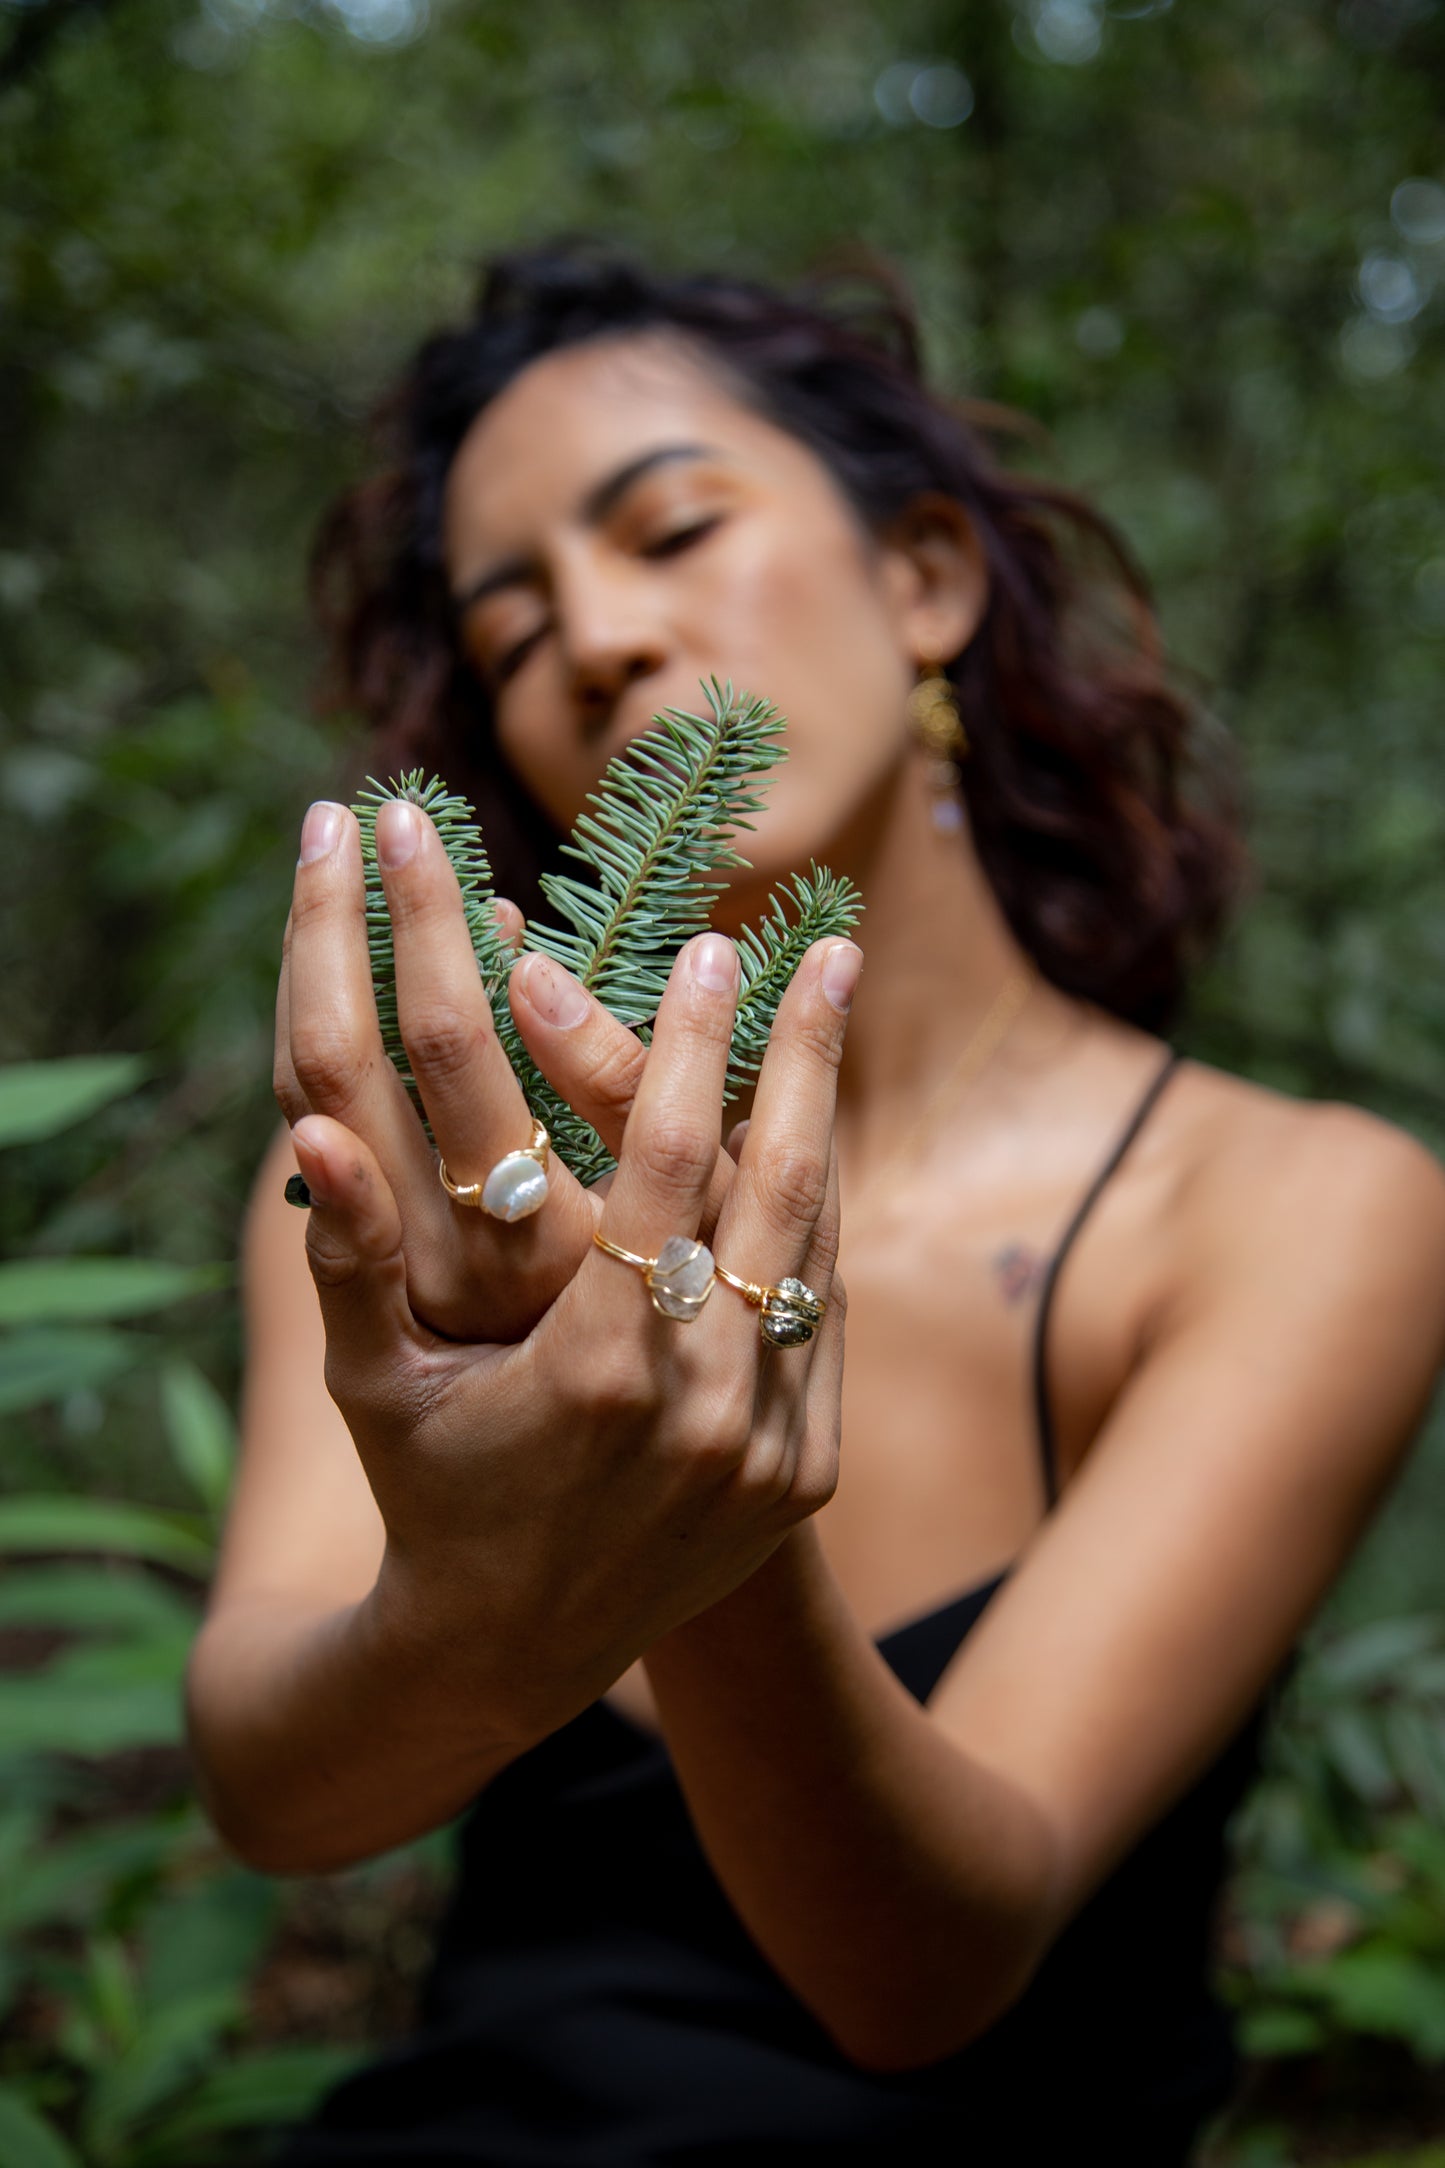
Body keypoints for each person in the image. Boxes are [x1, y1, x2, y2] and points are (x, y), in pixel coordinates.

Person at [186, 245, 1445, 2165]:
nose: (596, 635)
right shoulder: (415, 1202)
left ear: (922, 576)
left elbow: (923, 1975)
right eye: (509, 630)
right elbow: (275, 1793)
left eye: (672, 526)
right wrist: (463, 1591)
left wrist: (683, 1498)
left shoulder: (1289, 1208)